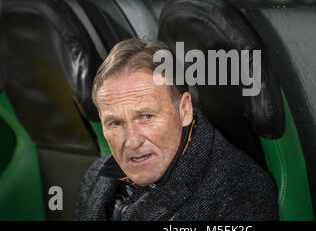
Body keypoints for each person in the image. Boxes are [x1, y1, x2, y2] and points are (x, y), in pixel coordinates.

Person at [76, 38, 279, 220]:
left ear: (184, 110)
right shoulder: (96, 176)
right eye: (116, 123)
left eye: (147, 117)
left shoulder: (239, 192)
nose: (132, 142)